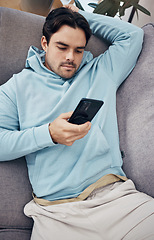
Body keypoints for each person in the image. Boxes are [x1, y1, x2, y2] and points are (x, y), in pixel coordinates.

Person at [0, 4, 154, 240]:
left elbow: (133, 35)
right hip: (55, 214)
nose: (71, 57)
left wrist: (79, 16)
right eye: (62, 47)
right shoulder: (15, 88)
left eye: (79, 50)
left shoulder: (102, 71)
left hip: (116, 199)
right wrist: (48, 134)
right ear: (44, 43)